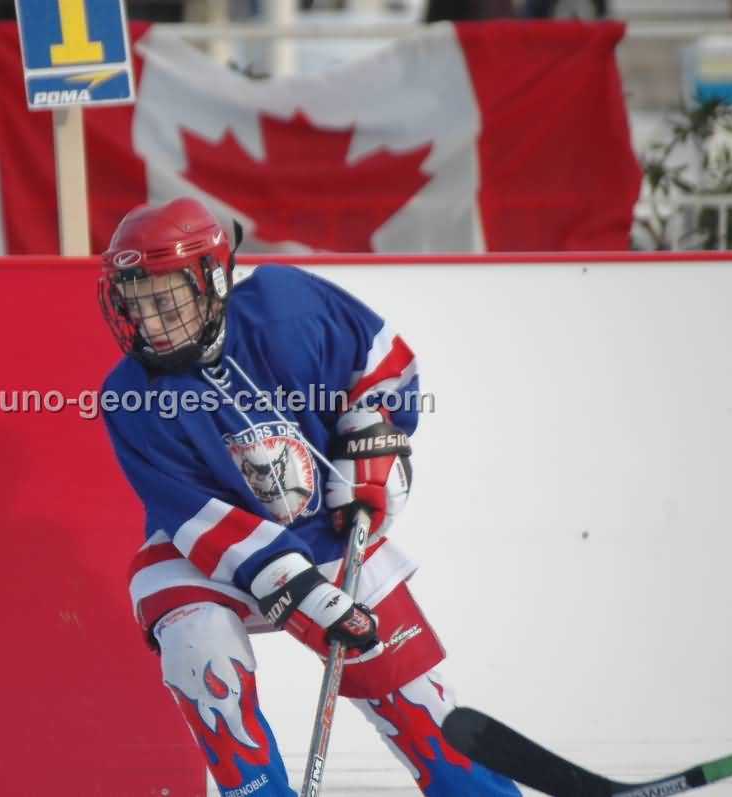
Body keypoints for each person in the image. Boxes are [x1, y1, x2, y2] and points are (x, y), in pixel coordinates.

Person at [98, 197, 521, 797]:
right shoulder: (131, 395)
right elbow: (199, 518)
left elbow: (383, 365)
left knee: (418, 702)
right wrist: (299, 592)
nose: (151, 323)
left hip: (328, 530)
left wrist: (371, 438)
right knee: (198, 646)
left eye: (165, 302)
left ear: (213, 282)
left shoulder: (286, 307)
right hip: (207, 559)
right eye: (137, 305)